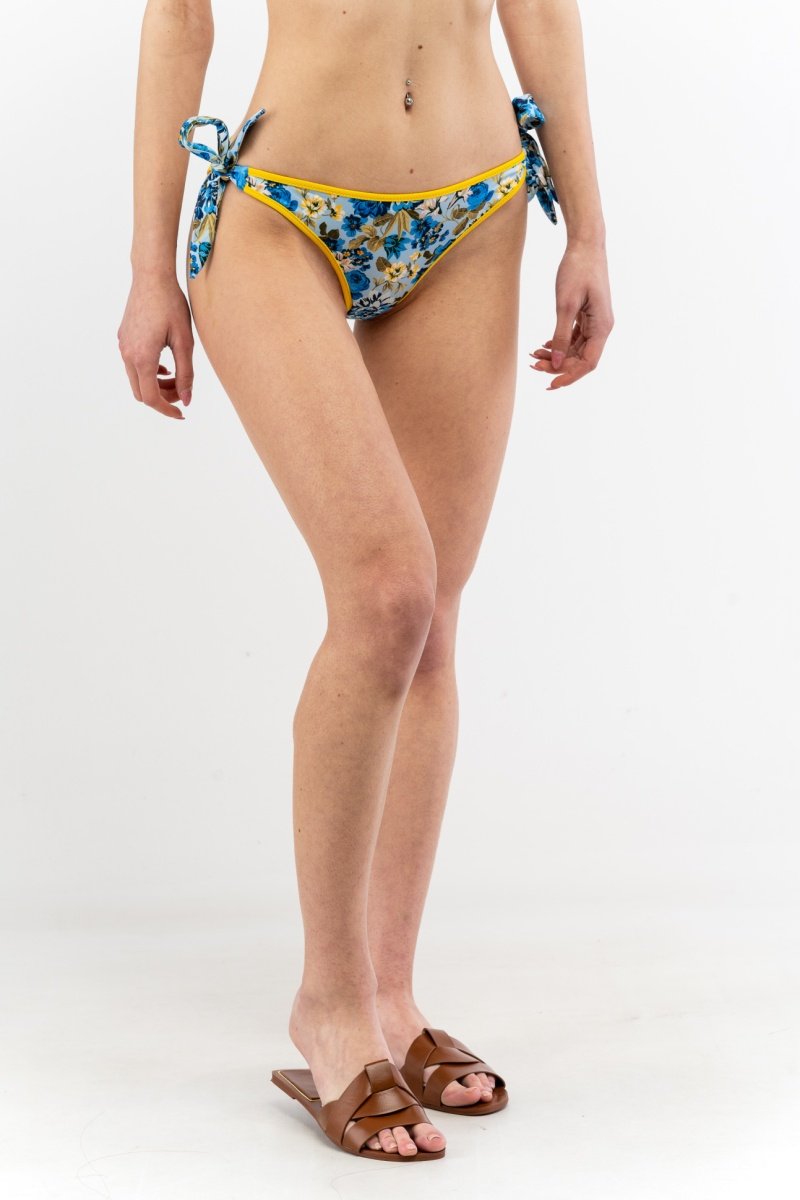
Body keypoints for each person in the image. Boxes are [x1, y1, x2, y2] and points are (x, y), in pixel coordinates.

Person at [117, 0, 613, 1164]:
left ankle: (390, 999)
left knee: (430, 619)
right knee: (385, 593)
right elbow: (178, 21)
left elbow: (539, 8)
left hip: (474, 203)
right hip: (281, 210)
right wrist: (148, 271)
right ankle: (327, 1007)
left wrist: (588, 231)